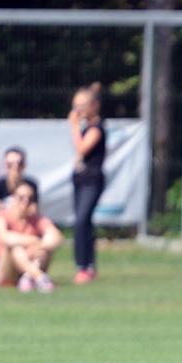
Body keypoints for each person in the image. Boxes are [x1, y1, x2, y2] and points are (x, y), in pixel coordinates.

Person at [0, 147, 39, 277]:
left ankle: (32, 269)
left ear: (24, 165)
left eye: (19, 163)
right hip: (5, 223)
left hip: (24, 223)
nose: (15, 168)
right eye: (10, 164)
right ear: (5, 165)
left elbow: (34, 211)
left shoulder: (30, 185)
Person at [68, 82, 106, 285]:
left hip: (91, 182)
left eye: (82, 106)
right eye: (76, 106)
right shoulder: (86, 128)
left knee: (81, 222)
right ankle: (90, 266)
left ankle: (82, 267)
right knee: (85, 223)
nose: (78, 111)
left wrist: (74, 127)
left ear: (95, 106)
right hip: (80, 180)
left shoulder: (97, 128)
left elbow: (82, 148)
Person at [0, 182, 62, 293]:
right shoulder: (3, 215)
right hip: (7, 270)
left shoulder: (37, 218)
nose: (26, 201)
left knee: (45, 248)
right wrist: (33, 241)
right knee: (14, 247)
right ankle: (40, 278)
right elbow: (4, 237)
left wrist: (41, 245)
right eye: (21, 197)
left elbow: (56, 237)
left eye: (30, 198)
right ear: (14, 198)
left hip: (31, 262)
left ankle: (28, 276)